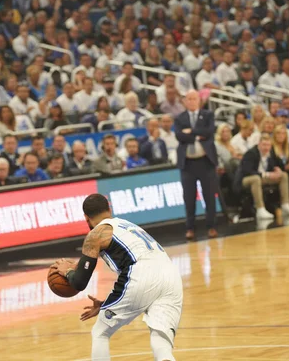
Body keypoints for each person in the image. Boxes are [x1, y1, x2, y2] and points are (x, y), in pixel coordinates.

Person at [52, 194, 182, 361]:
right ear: (109, 209)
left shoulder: (96, 234)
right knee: (160, 338)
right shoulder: (128, 225)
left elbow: (79, 282)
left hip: (141, 273)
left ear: (86, 217)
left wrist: (67, 271)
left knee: (100, 332)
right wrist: (108, 304)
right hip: (171, 274)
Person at [174, 90, 218, 240]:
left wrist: (191, 132)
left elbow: (210, 131)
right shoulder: (180, 118)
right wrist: (199, 135)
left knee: (209, 196)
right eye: (189, 99)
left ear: (199, 100)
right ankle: (190, 228)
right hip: (188, 164)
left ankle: (211, 226)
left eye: (194, 98)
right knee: (189, 197)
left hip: (205, 162)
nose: (192, 101)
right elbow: (179, 136)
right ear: (185, 102)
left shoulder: (207, 115)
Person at [235, 134, 289, 220]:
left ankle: (285, 205)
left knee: (283, 175)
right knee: (256, 178)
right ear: (259, 144)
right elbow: (248, 171)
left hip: (262, 178)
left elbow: (281, 165)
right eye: (264, 145)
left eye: (268, 145)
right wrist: (267, 174)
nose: (266, 147)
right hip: (245, 180)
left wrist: (279, 170)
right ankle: (260, 209)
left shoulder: (271, 153)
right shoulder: (251, 153)